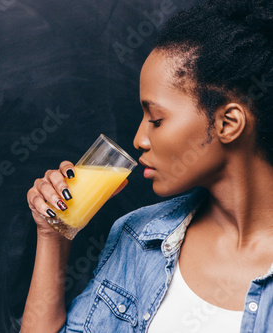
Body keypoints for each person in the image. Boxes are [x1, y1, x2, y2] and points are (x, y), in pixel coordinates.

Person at [21, 0, 273, 332]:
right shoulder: (139, 239)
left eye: (156, 119)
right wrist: (52, 236)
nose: (140, 139)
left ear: (227, 123)